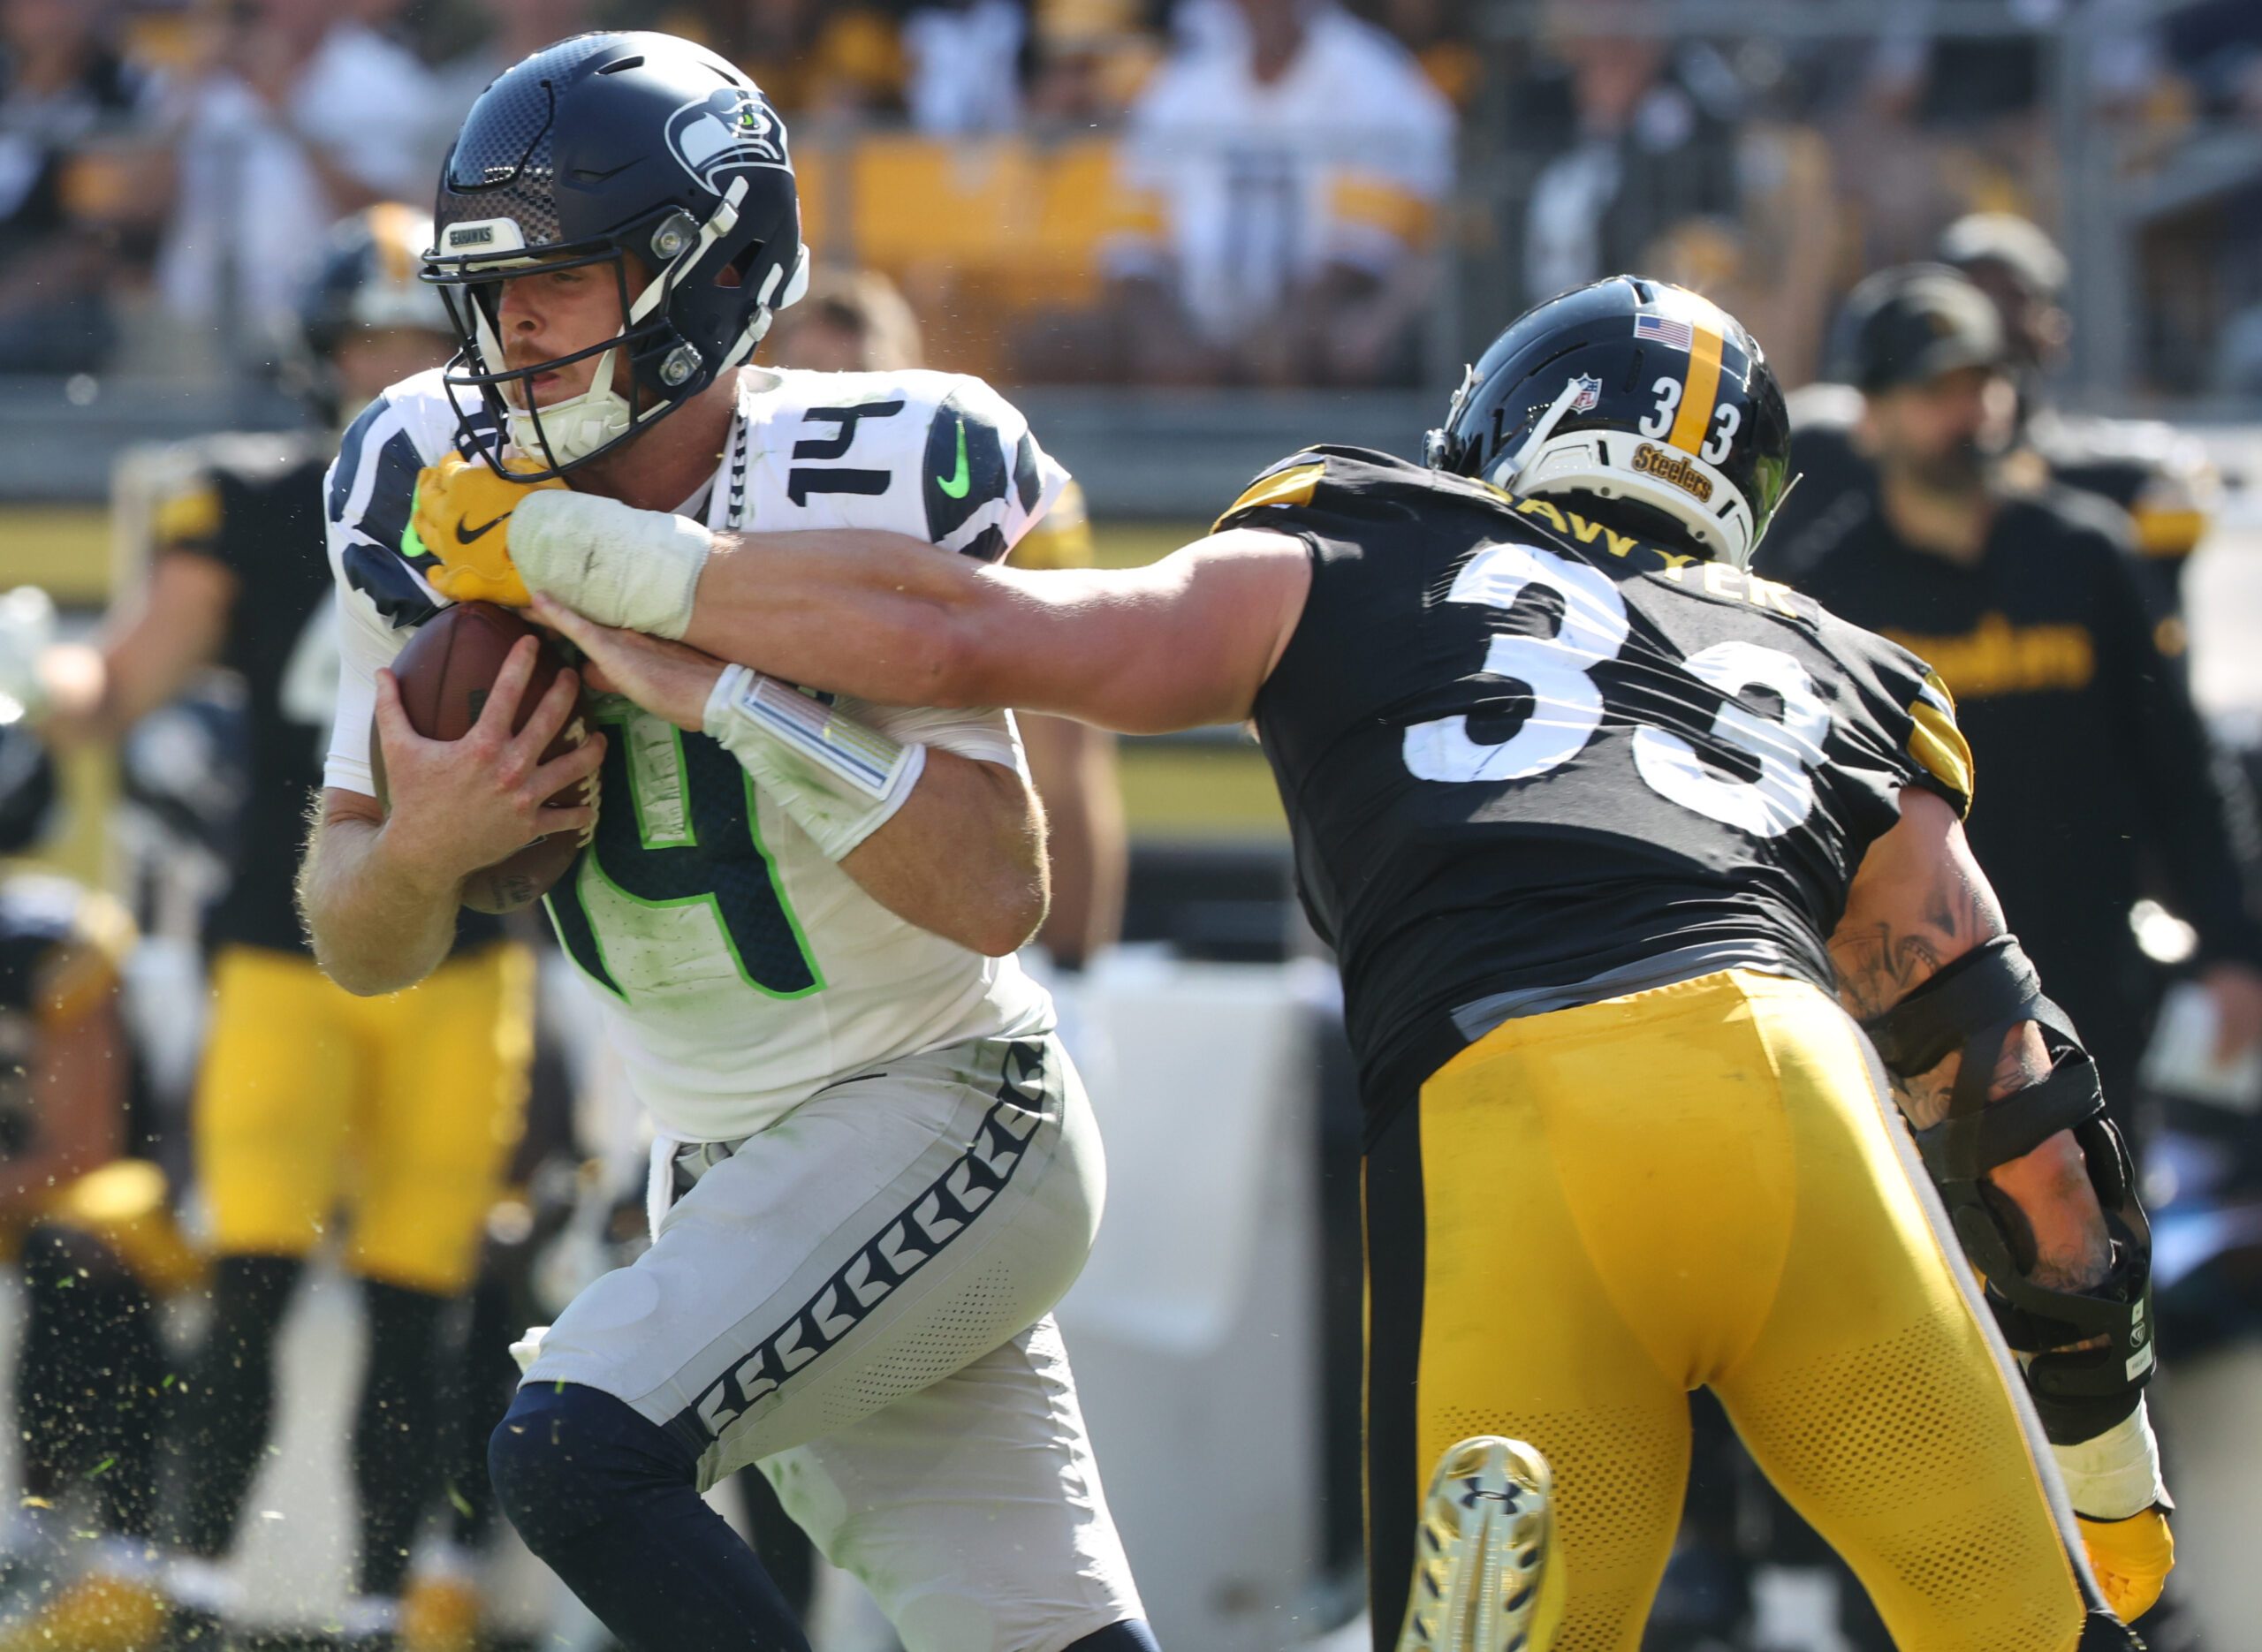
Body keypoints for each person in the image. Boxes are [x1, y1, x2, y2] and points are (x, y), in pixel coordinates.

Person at [503, 276, 2172, 1649]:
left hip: (1519, 1103)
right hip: (1796, 1089)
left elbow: (976, 634)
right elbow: (2014, 1098)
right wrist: (2108, 1472)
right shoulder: (1832, 659)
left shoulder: (1373, 531)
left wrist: (618, 566)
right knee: (2029, 1631)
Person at [298, 33, 1157, 1652]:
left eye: (561, 280)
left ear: (716, 269)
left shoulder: (874, 464)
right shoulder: (423, 482)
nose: (511, 330)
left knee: (576, 1453)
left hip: (946, 1106)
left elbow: (994, 891)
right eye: (490, 289)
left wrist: (727, 696)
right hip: (721, 1166)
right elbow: (357, 933)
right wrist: (425, 850)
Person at [0, 203, 531, 1649]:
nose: (395, 370)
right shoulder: (244, 494)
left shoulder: (533, 506)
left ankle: (379, 1601)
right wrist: (43, 675)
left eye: (423, 344)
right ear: (321, 354)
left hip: (463, 952)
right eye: (371, 341)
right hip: (280, 944)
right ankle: (201, 1593)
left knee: (423, 1298)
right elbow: (126, 680)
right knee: (253, 1272)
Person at [1778, 265, 2262, 1141]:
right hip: (1901, 1023)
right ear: (1870, 415)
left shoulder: (2084, 554)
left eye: (1983, 383)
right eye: (1937, 390)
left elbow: (2182, 769)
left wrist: (2233, 950)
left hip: (2092, 995)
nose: (1971, 413)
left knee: (2108, 1249)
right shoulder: (1820, 597)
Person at [0, 731, 196, 1652]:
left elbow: (81, 1151)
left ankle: (73, 1525)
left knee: (82, 1246)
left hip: (85, 1206)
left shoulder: (55, 940)